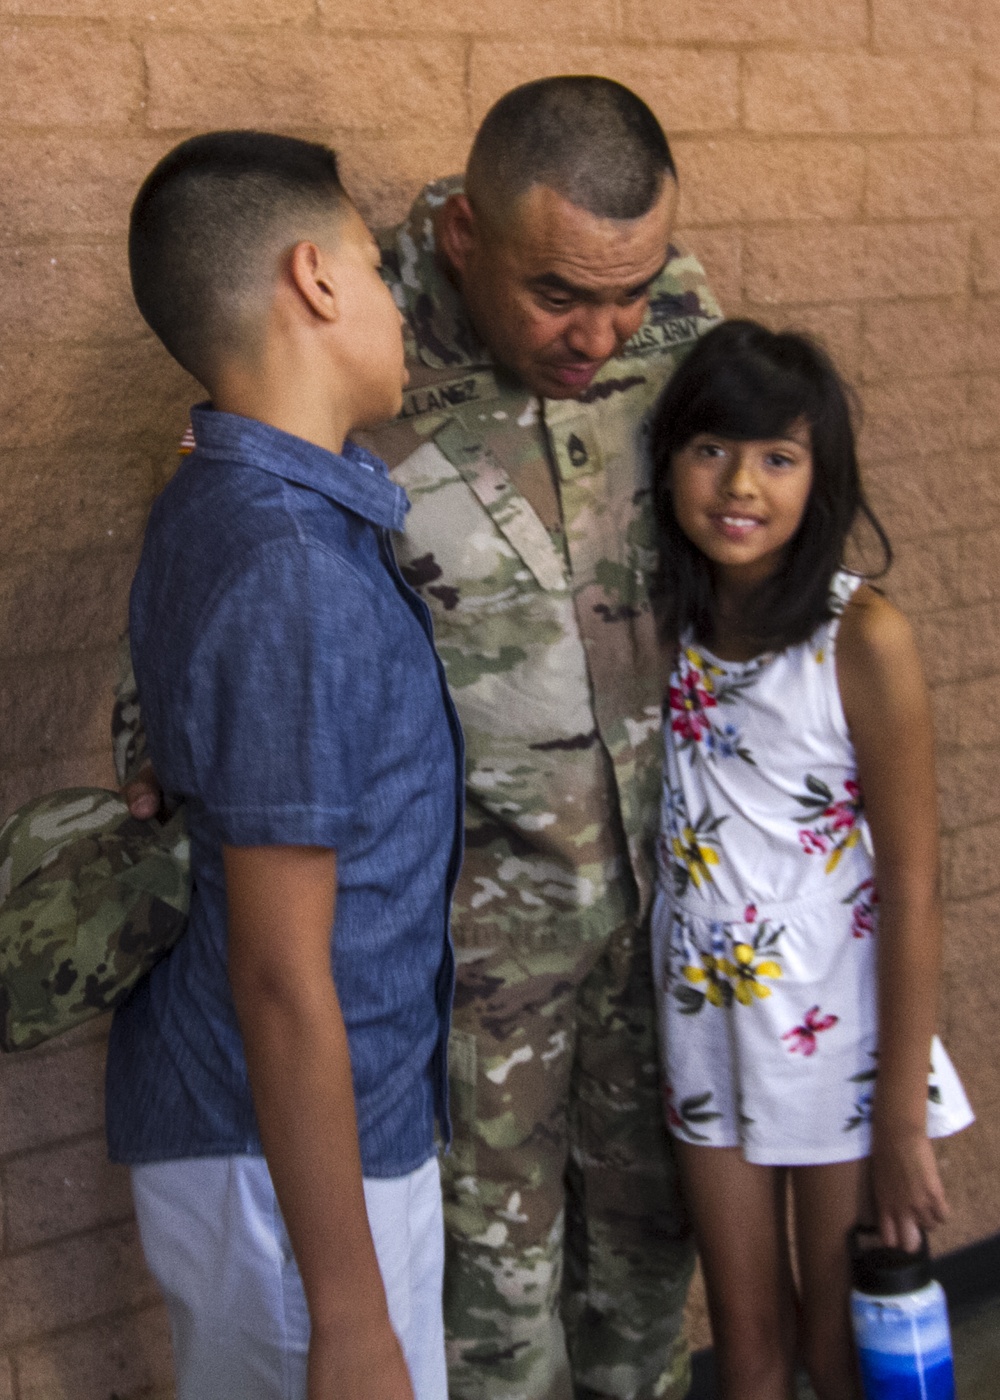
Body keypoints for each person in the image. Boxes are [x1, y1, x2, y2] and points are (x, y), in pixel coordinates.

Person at [117, 78, 722, 1400]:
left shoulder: (682, 321)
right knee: (486, 1320)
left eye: (632, 290)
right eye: (562, 295)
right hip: (459, 959)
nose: (602, 332)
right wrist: (169, 752)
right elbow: (226, 613)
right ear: (462, 239)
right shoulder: (340, 341)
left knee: (644, 1282)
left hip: (653, 911)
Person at [109, 130, 465, 1400]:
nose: (395, 299)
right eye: (376, 267)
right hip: (293, 1174)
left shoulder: (241, 497)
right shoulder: (290, 570)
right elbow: (276, 970)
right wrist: (352, 1315)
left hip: (295, 1149)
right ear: (315, 279)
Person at [648, 319, 974, 1400]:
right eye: (711, 449)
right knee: (745, 1340)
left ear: (819, 478)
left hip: (833, 1030)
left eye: (778, 457)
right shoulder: (658, 621)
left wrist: (898, 1120)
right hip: (705, 1020)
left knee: (840, 1344)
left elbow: (915, 882)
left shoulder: (860, 638)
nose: (740, 483)